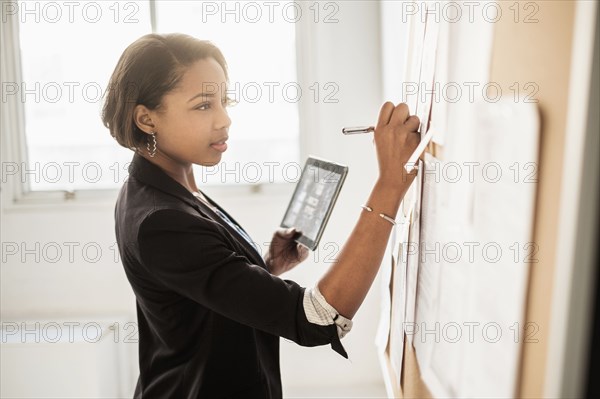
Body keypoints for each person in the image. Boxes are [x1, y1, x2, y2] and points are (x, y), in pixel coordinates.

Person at [103, 33, 420, 398]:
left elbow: (204, 288)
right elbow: (316, 319)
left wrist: (267, 267)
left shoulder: (165, 185)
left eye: (225, 101)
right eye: (204, 106)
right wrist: (389, 187)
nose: (225, 120)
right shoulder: (161, 221)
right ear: (146, 119)